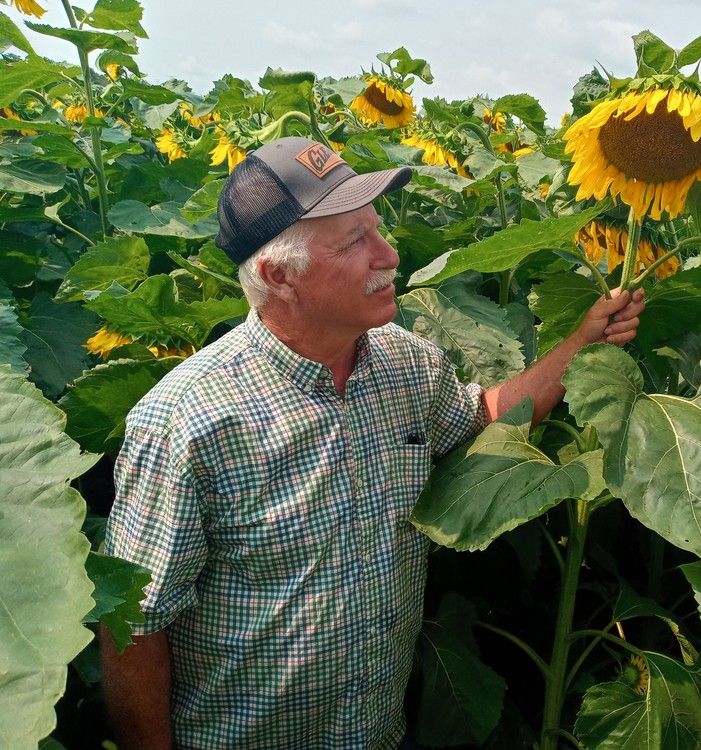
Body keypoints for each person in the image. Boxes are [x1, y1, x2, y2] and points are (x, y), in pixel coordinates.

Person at [101, 136, 645, 749]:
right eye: (354, 242)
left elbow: (485, 415)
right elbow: (135, 623)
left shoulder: (407, 367)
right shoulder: (188, 420)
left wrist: (581, 342)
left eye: (377, 229)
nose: (388, 255)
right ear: (280, 275)